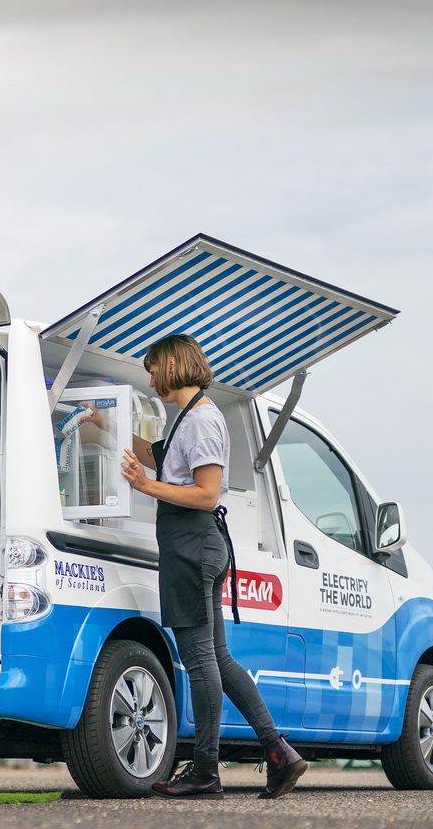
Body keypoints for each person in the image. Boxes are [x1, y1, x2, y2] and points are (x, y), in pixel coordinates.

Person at [118, 334, 308, 800]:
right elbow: (165, 459)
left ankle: (206, 769)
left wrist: (145, 486)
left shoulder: (201, 419)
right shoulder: (187, 416)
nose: (151, 376)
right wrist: (109, 426)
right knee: (217, 658)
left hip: (192, 546)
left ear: (175, 365)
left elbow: (205, 494)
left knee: (199, 660)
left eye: (155, 367)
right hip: (196, 547)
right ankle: (279, 753)